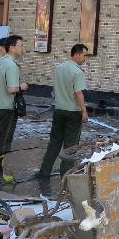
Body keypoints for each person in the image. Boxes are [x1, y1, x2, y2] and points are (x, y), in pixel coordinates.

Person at [37, 44, 90, 195]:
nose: (85, 58)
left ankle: (44, 171)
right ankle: (65, 177)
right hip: (73, 112)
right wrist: (84, 111)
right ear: (77, 54)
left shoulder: (59, 68)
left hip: (59, 110)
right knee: (71, 146)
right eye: (84, 55)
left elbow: (55, 89)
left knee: (54, 142)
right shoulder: (77, 72)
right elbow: (78, 93)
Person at [0, 35, 28, 184]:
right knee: (3, 140)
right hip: (7, 108)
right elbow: (12, 88)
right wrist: (22, 87)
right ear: (12, 47)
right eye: (21, 45)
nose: (22, 48)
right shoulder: (12, 65)